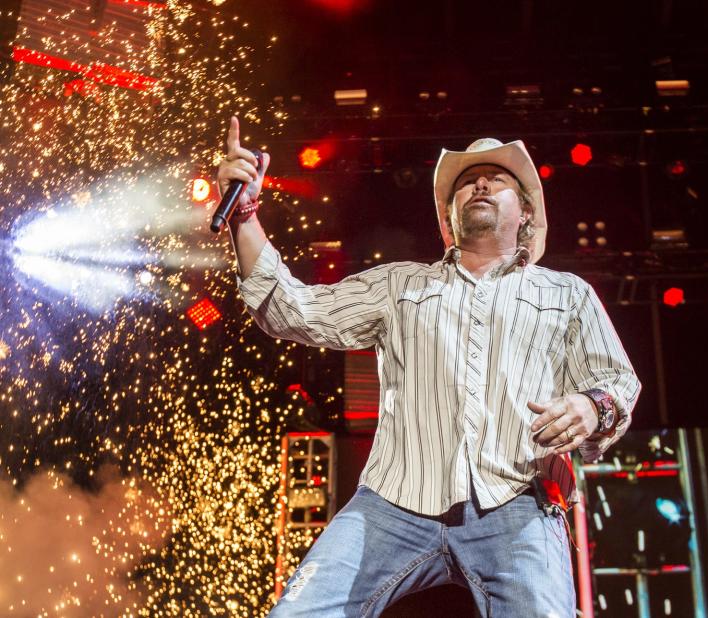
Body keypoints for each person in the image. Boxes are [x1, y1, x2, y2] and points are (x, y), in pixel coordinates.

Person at [216, 116, 641, 617]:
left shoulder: (567, 293)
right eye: (465, 182)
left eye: (496, 179)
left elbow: (617, 383)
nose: (479, 183)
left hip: (518, 500)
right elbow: (292, 310)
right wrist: (244, 215)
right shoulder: (399, 285)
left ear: (525, 211)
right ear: (447, 220)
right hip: (392, 503)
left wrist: (593, 406)